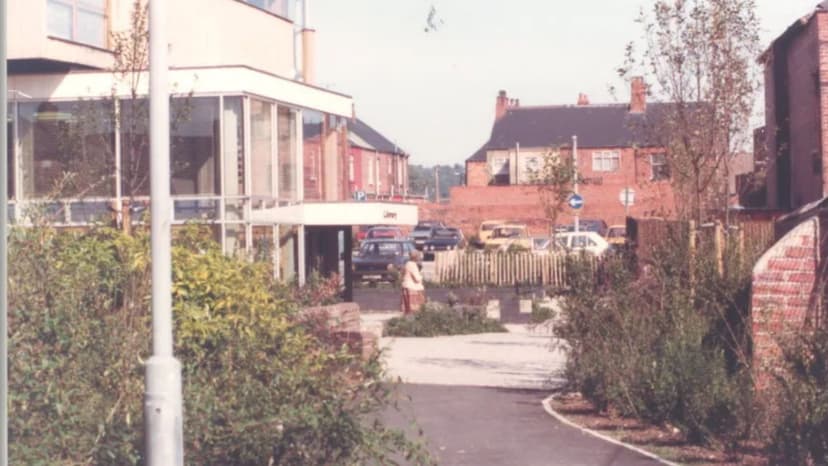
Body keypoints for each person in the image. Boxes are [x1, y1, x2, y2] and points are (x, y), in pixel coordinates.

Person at [401, 250, 425, 315]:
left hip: (406, 287)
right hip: (412, 288)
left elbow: (402, 275)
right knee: (415, 309)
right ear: (416, 257)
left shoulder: (407, 264)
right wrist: (421, 276)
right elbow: (417, 278)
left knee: (407, 309)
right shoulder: (413, 265)